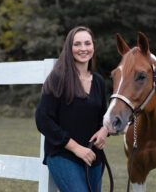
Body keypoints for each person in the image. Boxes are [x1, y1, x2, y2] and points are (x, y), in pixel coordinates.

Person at [35, 26, 108, 192]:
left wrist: (104, 130)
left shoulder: (98, 81)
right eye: (77, 44)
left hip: (92, 156)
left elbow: (103, 117)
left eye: (87, 43)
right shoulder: (58, 78)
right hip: (64, 155)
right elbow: (43, 120)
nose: (83, 48)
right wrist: (76, 148)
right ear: (69, 48)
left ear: (93, 47)